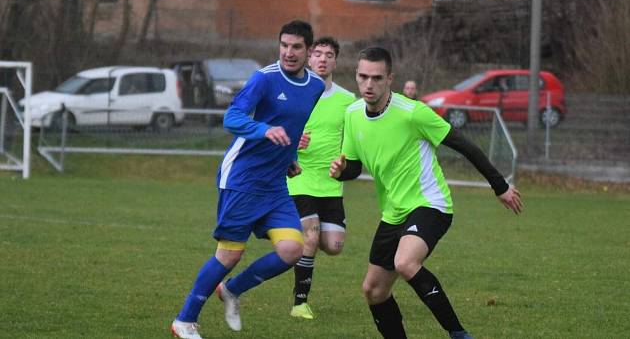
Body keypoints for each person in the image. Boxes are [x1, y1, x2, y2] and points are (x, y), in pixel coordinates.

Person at [329, 47, 522, 339]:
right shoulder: (353, 114)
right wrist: (341, 170)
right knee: (373, 290)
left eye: (377, 78)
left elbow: (464, 145)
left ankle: (458, 334)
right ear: (356, 76)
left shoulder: (413, 112)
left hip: (430, 204)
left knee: (405, 262)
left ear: (389, 79)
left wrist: (500, 186)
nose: (369, 84)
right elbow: (354, 167)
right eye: (363, 77)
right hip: (393, 212)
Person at [171, 20, 325, 339]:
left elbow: (290, 125)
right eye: (284, 45)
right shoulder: (264, 79)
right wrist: (264, 130)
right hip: (242, 177)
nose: (289, 52)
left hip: (274, 184)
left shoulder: (315, 87)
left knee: (292, 250)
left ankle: (232, 290)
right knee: (229, 254)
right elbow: (232, 117)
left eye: (297, 47)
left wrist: (289, 159)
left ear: (309, 51)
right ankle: (184, 321)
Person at [286, 36, 356, 320]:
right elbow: (273, 130)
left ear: (336, 61)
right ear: (309, 58)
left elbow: (352, 146)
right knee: (311, 237)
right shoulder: (294, 93)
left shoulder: (348, 100)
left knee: (334, 246)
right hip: (299, 176)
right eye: (317, 54)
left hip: (330, 183)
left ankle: (288, 233)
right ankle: (299, 303)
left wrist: (344, 164)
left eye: (329, 54)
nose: (323, 59)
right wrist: (292, 141)